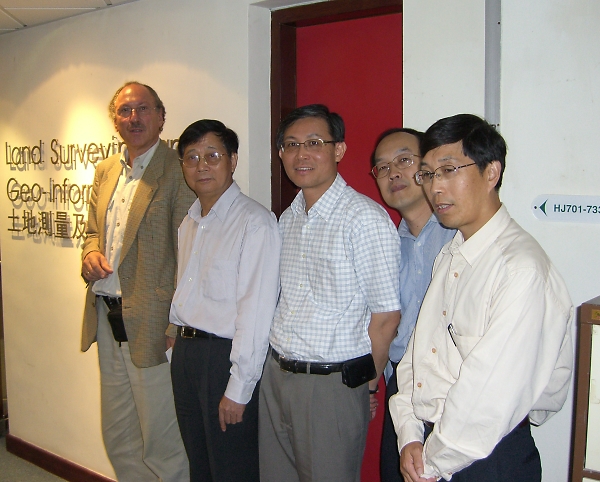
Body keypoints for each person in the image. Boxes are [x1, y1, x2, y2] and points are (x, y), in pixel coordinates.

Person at [390, 114, 574, 482]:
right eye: (428, 174)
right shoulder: (453, 252)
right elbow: (417, 355)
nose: (435, 187)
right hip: (433, 446)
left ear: (491, 173)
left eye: (449, 170)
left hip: (486, 456)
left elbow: (489, 398)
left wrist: (431, 462)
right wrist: (409, 433)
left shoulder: (519, 270)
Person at [259, 104, 402, 482]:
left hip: (331, 386)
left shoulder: (364, 218)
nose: (301, 154)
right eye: (291, 145)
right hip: (276, 375)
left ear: (338, 150)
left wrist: (366, 386)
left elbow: (387, 316)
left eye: (313, 143)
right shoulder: (288, 219)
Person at [81, 81, 195, 481]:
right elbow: (92, 231)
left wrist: (174, 325)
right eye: (125, 111)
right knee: (119, 436)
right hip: (107, 317)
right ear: (115, 121)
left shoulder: (179, 171)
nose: (134, 118)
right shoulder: (106, 170)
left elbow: (189, 254)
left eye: (143, 109)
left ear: (161, 117)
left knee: (162, 442)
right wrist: (90, 254)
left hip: (154, 325)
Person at [168, 119, 280, 481]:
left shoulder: (254, 222)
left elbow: (256, 313)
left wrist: (240, 386)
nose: (201, 165)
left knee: (232, 467)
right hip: (187, 356)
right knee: (199, 464)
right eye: (192, 157)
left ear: (232, 160)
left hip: (224, 360)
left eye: (212, 156)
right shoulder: (190, 221)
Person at [370, 128, 455, 482]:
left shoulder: (460, 236)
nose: (393, 173)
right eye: (382, 167)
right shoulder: (388, 246)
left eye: (404, 160)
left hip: (453, 392)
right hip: (404, 390)